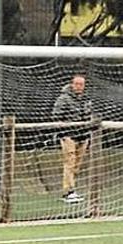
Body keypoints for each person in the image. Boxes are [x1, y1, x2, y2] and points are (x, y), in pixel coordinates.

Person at [52, 74, 92, 204]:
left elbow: (89, 115)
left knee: (76, 166)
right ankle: (68, 191)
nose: (79, 87)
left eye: (82, 84)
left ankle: (71, 189)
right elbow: (56, 115)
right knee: (69, 162)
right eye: (77, 84)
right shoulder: (63, 98)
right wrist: (64, 130)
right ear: (72, 84)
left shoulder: (86, 99)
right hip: (69, 135)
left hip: (83, 136)